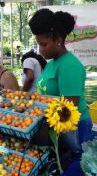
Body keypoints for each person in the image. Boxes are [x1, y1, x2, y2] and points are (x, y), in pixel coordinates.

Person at [28, 8, 92, 152]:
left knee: (73, 166)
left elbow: (67, 109)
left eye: (44, 44)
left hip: (72, 128)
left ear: (59, 40)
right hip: (56, 125)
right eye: (39, 44)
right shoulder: (51, 63)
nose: (40, 50)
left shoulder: (69, 65)